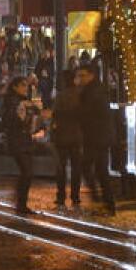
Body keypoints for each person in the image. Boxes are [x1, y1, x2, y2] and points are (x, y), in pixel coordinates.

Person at [77, 64, 116, 214]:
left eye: (82, 75)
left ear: (91, 75)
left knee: (92, 167)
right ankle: (105, 202)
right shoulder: (94, 90)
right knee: (99, 170)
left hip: (96, 137)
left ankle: (103, 201)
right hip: (98, 136)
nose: (80, 79)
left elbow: (86, 113)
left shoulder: (93, 92)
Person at [1, 76, 36, 214]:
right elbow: (8, 121)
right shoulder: (12, 102)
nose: (25, 88)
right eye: (22, 85)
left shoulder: (24, 101)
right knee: (27, 171)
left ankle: (21, 203)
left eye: (26, 85)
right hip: (17, 140)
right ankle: (20, 203)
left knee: (27, 172)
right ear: (15, 86)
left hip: (24, 139)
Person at [51, 69, 84, 207]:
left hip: (62, 137)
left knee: (61, 168)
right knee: (76, 168)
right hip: (77, 136)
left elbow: (55, 115)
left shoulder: (61, 96)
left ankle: (61, 196)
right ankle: (75, 196)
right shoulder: (80, 95)